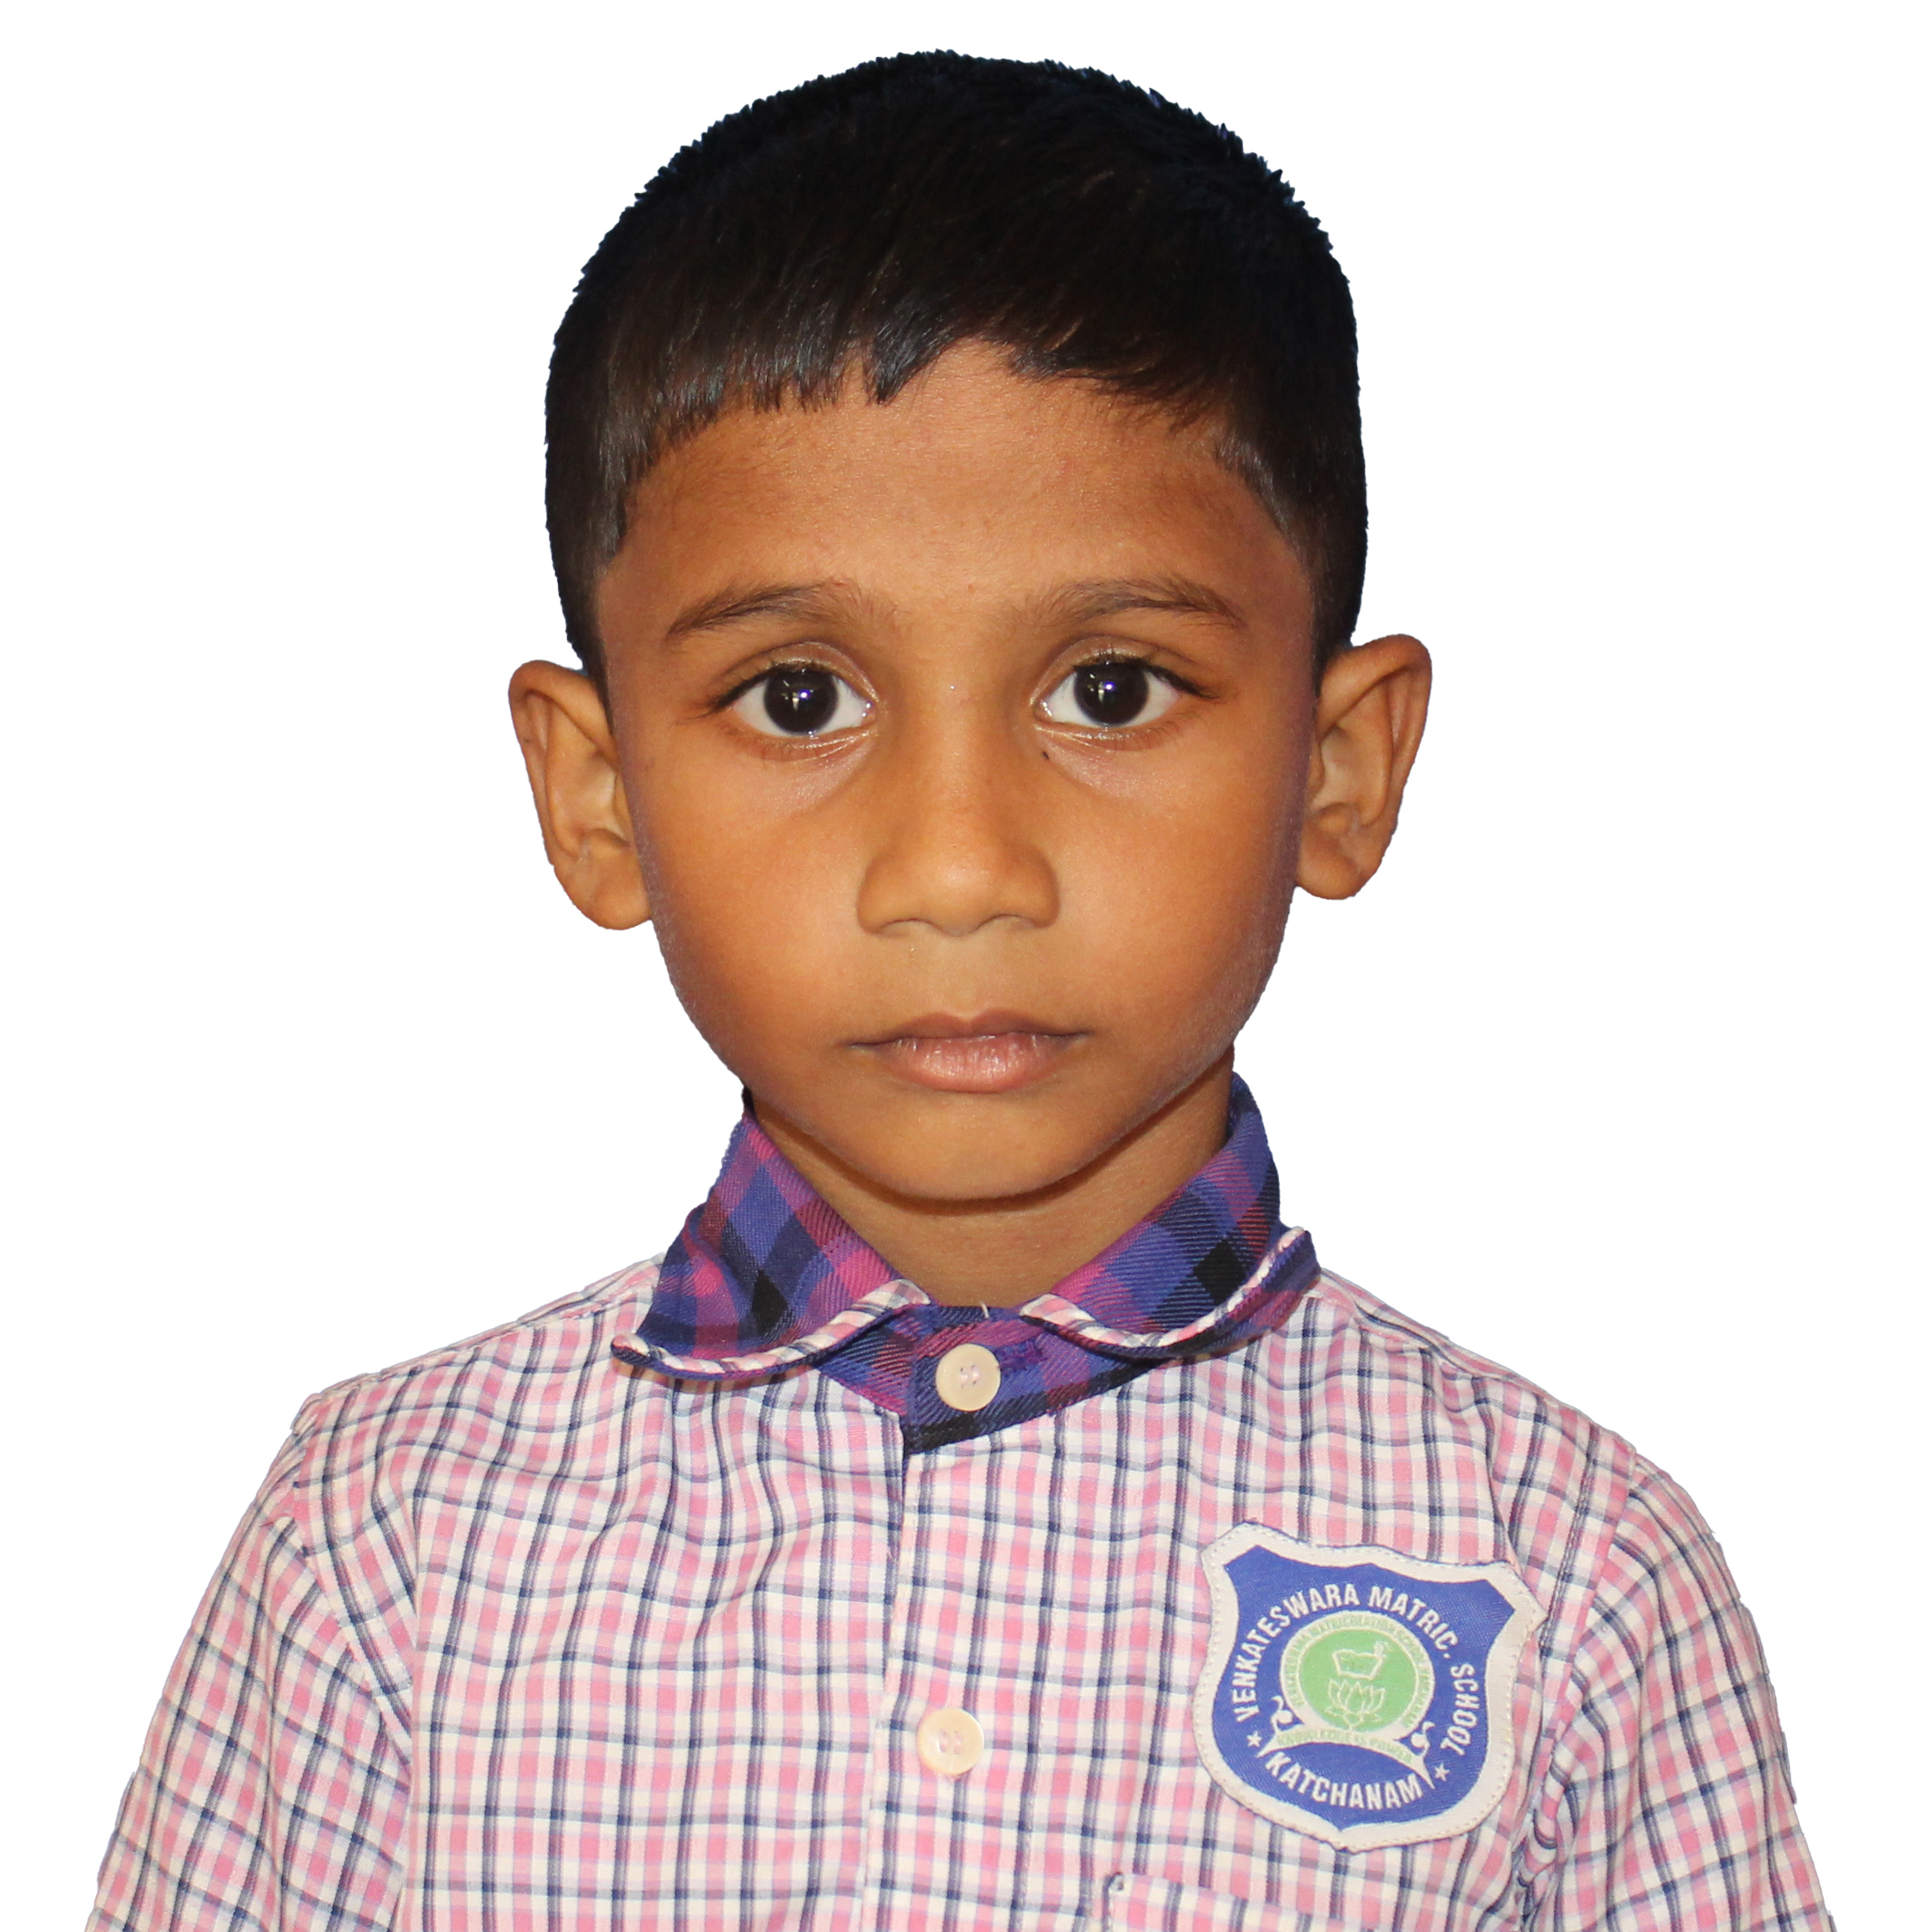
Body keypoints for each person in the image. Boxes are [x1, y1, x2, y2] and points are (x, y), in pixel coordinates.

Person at [89, 51, 1831, 1932]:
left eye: (1108, 689)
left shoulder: (1569, 1580)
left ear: (1339, 769)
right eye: (800, 699)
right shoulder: (385, 1546)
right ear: (595, 799)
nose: (957, 865)